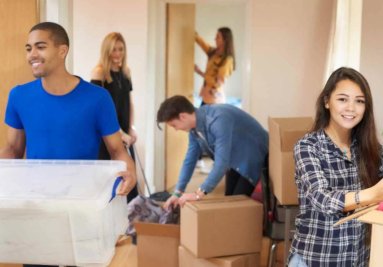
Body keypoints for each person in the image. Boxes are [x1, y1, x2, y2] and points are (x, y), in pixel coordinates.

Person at [0, 22, 136, 267]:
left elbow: (117, 150)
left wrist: (130, 171)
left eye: (40, 47)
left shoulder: (97, 98)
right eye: (28, 48)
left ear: (62, 50)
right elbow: (13, 150)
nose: (32, 54)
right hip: (37, 204)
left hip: (81, 206)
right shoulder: (19, 96)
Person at [288, 67, 383, 267]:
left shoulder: (369, 148)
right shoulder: (307, 147)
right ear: (327, 101)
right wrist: (374, 193)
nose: (351, 108)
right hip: (315, 260)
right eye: (342, 99)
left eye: (359, 101)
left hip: (356, 260)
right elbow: (322, 198)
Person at [157, 95, 268, 209]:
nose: (176, 129)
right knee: (229, 202)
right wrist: (177, 193)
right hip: (235, 158)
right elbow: (189, 160)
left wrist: (198, 194)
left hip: (254, 155)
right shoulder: (194, 130)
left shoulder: (217, 120)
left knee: (236, 206)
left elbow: (221, 164)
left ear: (183, 116)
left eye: (174, 125)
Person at [90, 32, 138, 202]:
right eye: (114, 50)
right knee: (110, 179)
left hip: (124, 131)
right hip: (108, 133)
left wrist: (131, 129)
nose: (118, 54)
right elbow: (99, 109)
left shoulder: (126, 72)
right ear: (106, 51)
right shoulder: (99, 73)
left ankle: (129, 221)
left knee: (129, 175)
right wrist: (118, 132)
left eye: (121, 49)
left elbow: (129, 102)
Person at [194, 27, 235, 105]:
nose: (215, 39)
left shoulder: (227, 60)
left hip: (214, 99)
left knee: (202, 116)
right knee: (200, 115)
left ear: (225, 41)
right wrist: (193, 34)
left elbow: (218, 82)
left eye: (218, 37)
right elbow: (202, 43)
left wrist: (200, 72)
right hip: (207, 96)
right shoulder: (213, 52)